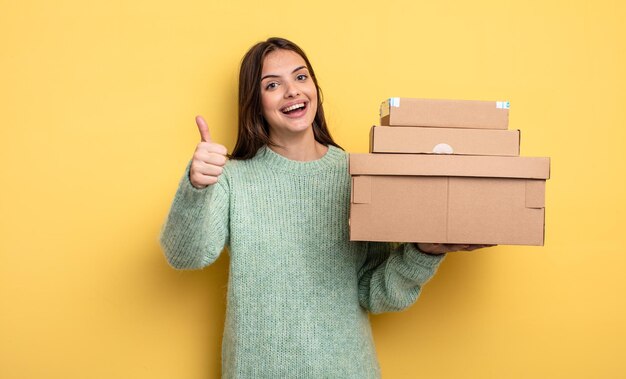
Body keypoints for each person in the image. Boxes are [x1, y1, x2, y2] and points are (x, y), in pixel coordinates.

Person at [160, 37, 490, 378]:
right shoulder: (232, 178)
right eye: (273, 85)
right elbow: (185, 256)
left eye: (301, 77)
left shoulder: (358, 176)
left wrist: (424, 251)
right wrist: (197, 186)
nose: (292, 91)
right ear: (255, 103)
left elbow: (374, 294)